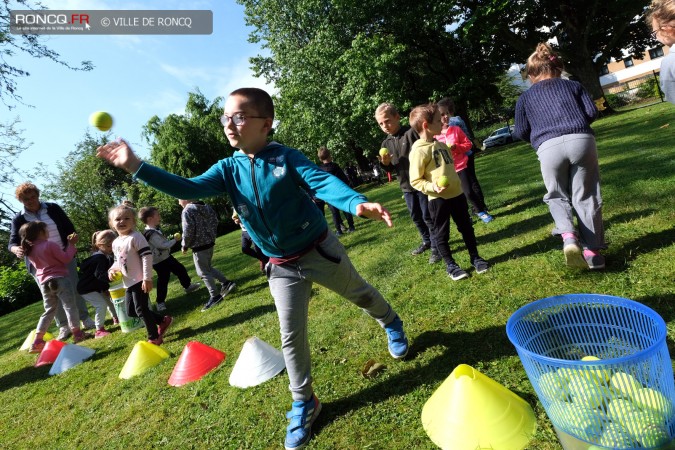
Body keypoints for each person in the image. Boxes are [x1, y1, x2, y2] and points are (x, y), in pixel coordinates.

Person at [97, 87, 409, 450]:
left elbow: (321, 181)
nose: (230, 124)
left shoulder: (285, 158)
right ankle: (305, 401)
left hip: (317, 251)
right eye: (226, 117)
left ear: (266, 124)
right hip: (281, 266)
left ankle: (390, 321)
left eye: (240, 117)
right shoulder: (227, 168)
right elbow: (188, 187)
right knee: (290, 335)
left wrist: (355, 202)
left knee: (359, 293)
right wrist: (136, 166)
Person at [514, 43, 607, 269]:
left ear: (532, 73)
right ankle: (594, 253)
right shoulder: (573, 85)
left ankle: (569, 238)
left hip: (548, 146)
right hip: (581, 141)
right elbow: (591, 112)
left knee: (557, 194)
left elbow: (520, 131)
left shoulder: (525, 98)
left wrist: (539, 138)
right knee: (586, 195)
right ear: (558, 68)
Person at [408, 103, 490, 280]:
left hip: (457, 195)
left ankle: (475, 257)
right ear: (426, 125)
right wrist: (433, 187)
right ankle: (451, 265)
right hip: (438, 199)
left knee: (466, 227)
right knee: (441, 233)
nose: (443, 122)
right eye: (438, 120)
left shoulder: (442, 145)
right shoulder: (419, 151)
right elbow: (415, 180)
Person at [7, 183, 95, 340]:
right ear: (21, 201)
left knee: (73, 289)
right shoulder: (19, 218)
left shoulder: (53, 208)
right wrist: (16, 249)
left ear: (38, 195)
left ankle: (85, 319)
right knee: (51, 296)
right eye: (26, 199)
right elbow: (12, 242)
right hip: (40, 266)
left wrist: (72, 240)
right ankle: (64, 326)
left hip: (63, 256)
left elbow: (69, 228)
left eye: (33, 197)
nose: (31, 201)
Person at [375, 103, 440, 263]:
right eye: (381, 124)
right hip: (406, 186)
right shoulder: (386, 144)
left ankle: (436, 247)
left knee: (427, 216)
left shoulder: (412, 133)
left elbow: (428, 150)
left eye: (388, 121)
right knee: (416, 216)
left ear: (397, 117)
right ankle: (427, 240)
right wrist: (385, 163)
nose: (385, 126)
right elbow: (389, 169)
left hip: (422, 183)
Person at [19, 221, 90, 352]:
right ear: (41, 232)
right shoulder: (50, 245)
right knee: (70, 306)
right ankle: (77, 333)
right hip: (60, 279)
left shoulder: (29, 251)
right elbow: (66, 258)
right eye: (46, 230)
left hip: (44, 284)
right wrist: (71, 245)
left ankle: (37, 341)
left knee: (49, 310)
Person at [108, 204, 173, 345]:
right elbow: (117, 261)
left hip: (139, 280)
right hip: (128, 282)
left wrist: (147, 278)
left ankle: (154, 337)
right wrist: (112, 270)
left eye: (126, 218)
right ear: (111, 224)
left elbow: (147, 256)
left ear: (134, 221)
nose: (122, 221)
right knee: (131, 311)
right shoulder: (116, 242)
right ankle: (163, 320)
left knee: (141, 309)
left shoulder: (136, 237)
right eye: (117, 219)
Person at [436, 98, 494, 223]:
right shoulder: (435, 135)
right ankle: (464, 217)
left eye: (447, 113)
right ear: (436, 117)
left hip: (461, 166)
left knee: (468, 191)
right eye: (442, 114)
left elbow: (468, 144)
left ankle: (481, 211)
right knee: (455, 196)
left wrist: (457, 147)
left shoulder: (456, 129)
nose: (445, 116)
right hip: (446, 170)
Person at [138, 206, 201, 311]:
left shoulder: (155, 230)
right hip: (159, 262)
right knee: (163, 280)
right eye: (157, 215)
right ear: (150, 219)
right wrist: (175, 240)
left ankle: (187, 286)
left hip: (166, 257)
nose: (159, 217)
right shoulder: (150, 234)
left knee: (180, 269)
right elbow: (163, 245)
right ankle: (160, 302)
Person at [178, 199, 236, 312]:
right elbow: (215, 221)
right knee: (207, 268)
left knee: (203, 272)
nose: (178, 203)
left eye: (178, 200)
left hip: (199, 246)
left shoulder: (187, 211)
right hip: (209, 243)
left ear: (184, 198)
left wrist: (184, 245)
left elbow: (188, 230)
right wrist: (210, 235)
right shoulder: (206, 206)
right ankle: (226, 282)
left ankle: (215, 296)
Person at [77, 230, 120, 338]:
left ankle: (116, 318)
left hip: (93, 287)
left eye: (113, 246)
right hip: (87, 289)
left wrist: (104, 287)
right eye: (109, 246)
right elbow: (100, 275)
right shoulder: (100, 258)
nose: (112, 249)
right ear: (100, 245)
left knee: (108, 300)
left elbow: (96, 277)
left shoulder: (99, 257)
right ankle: (99, 330)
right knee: (101, 305)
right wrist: (110, 279)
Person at [314, 146, 356, 236]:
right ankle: (351, 227)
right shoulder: (335, 167)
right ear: (330, 156)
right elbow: (343, 179)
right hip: (340, 191)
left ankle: (339, 230)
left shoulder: (319, 169)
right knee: (345, 208)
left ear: (320, 159)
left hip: (329, 194)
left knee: (334, 212)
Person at [647, 0, 675, 104]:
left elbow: (671, 94)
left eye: (655, 33)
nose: (656, 38)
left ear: (666, 30)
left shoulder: (670, 62)